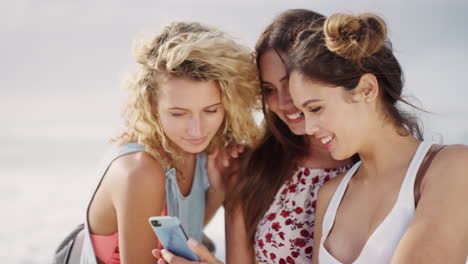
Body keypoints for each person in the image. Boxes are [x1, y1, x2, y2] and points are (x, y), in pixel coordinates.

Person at [153, 9, 354, 264]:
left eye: (292, 82)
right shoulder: (257, 168)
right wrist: (226, 193)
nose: (283, 102)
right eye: (269, 89)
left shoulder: (372, 167)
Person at [286, 12, 468, 264]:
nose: (308, 128)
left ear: (367, 89)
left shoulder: (452, 166)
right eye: (302, 112)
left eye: (315, 109)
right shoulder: (330, 195)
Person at [80, 21, 260, 264]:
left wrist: (218, 191)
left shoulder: (199, 151)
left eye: (211, 110)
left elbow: (178, 234)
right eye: (178, 113)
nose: (197, 130)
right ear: (152, 105)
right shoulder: (139, 172)